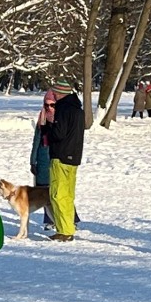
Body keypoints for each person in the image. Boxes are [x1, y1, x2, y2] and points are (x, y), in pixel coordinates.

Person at [43, 79, 85, 242]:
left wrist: (48, 129)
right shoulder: (78, 110)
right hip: (74, 157)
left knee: (57, 194)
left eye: (54, 92)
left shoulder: (63, 109)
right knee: (68, 195)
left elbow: (58, 134)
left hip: (60, 156)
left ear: (59, 93)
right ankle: (68, 228)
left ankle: (64, 230)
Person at [31, 90, 57, 228]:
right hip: (42, 160)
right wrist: (32, 160)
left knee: (57, 191)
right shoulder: (42, 118)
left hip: (55, 159)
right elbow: (36, 140)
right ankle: (49, 220)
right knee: (42, 192)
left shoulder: (60, 119)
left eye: (52, 105)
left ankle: (71, 219)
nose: (49, 108)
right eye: (46, 105)